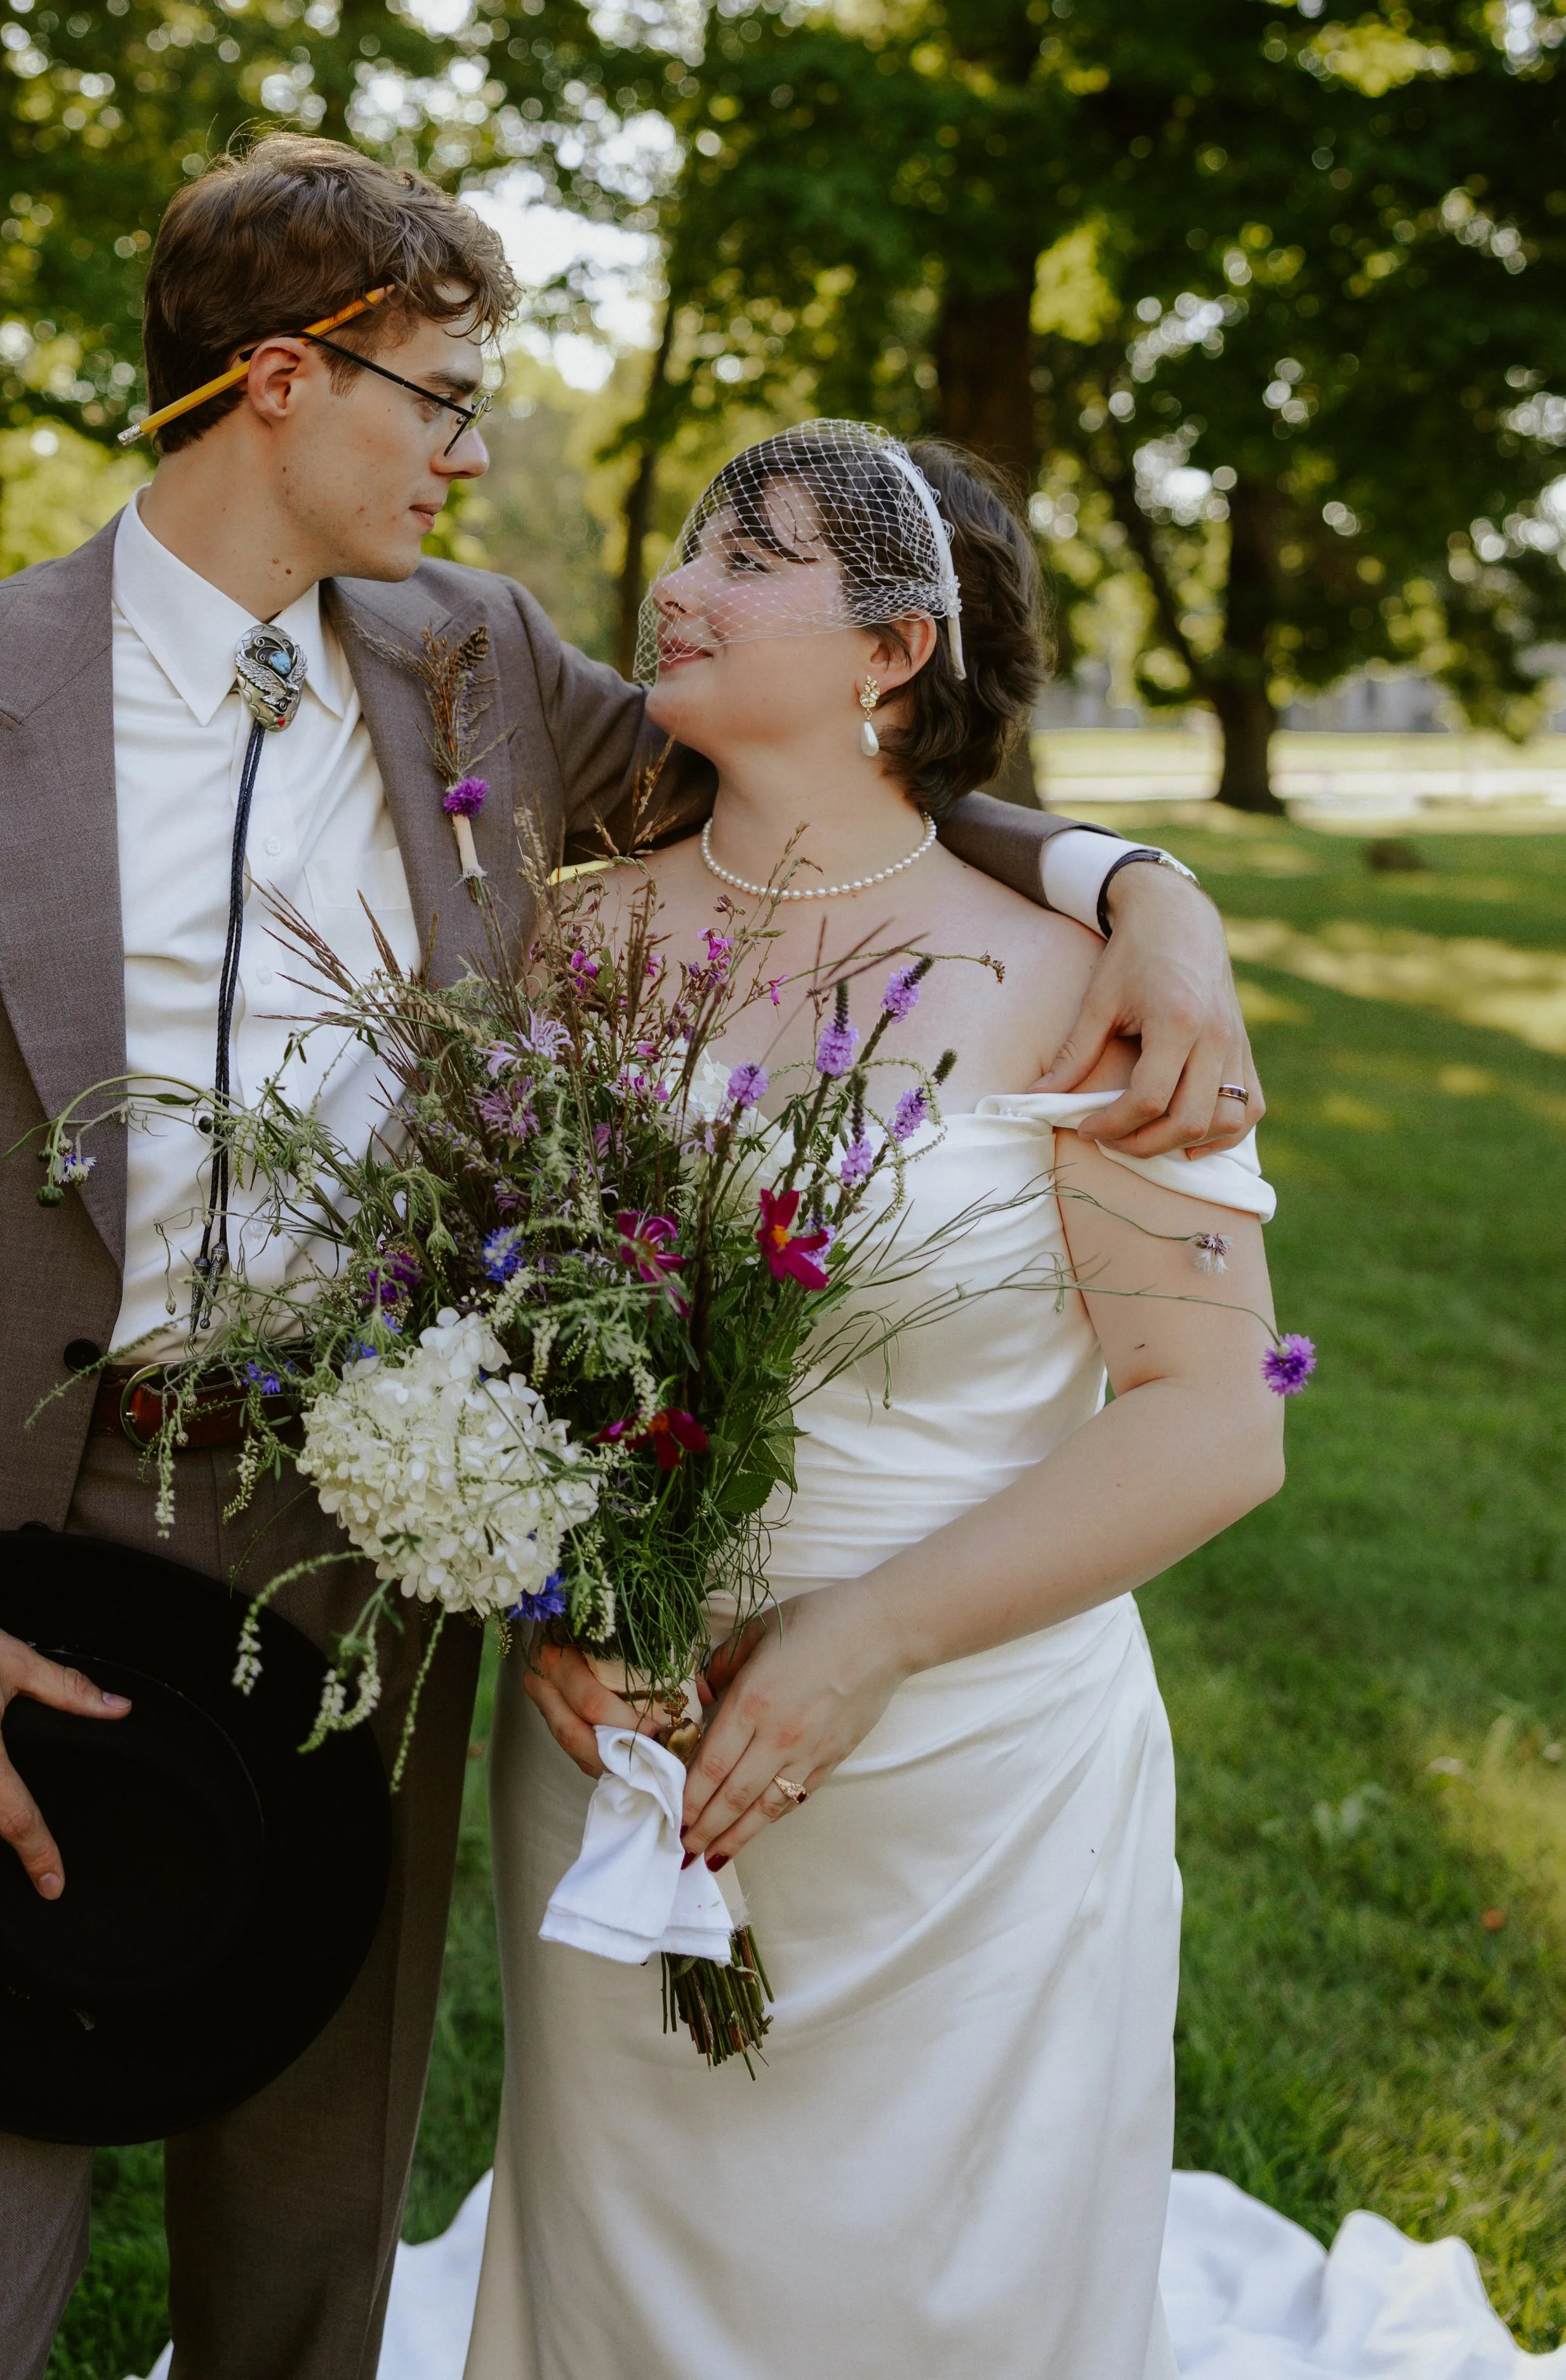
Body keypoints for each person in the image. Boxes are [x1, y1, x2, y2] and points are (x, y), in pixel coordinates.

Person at [0, 141, 1256, 2380]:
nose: (483, 450)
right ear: (283, 378)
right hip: (30, 1523)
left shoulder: (472, 663)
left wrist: (1141, 882)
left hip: (365, 1556)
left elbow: (847, 791)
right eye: (446, 395)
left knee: (304, 2226)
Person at [468, 426, 1287, 2379]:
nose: (676, 582)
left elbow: (1215, 1413)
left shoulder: (1080, 977)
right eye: (686, 541)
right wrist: (544, 1608)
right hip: (630, 1760)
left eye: (745, 555)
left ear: (888, 653)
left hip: (971, 1786)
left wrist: (866, 1636)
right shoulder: (574, 946)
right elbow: (492, 1341)